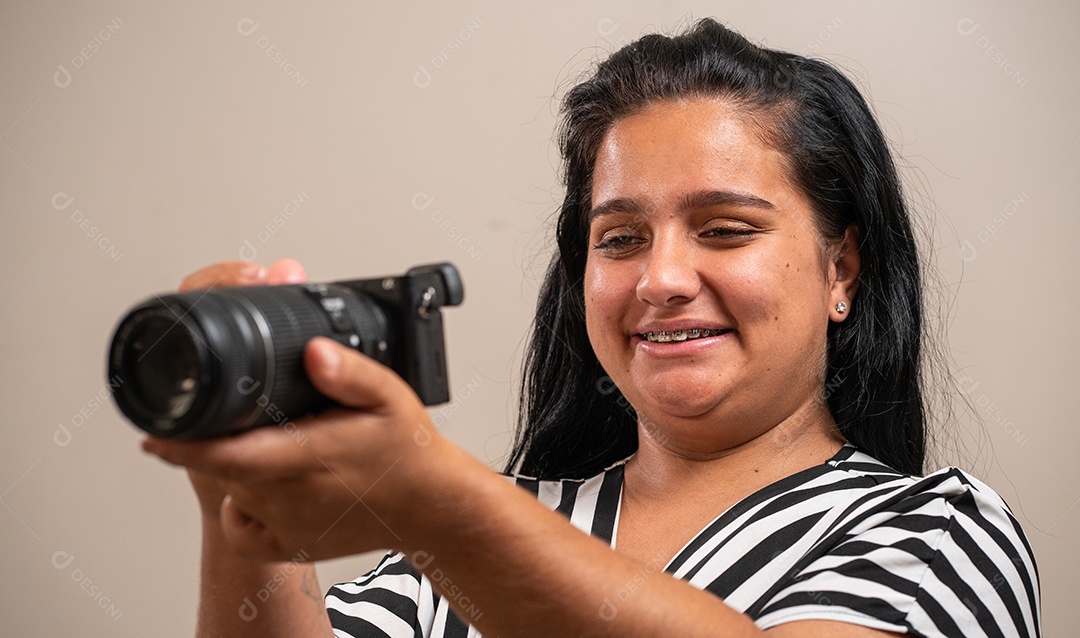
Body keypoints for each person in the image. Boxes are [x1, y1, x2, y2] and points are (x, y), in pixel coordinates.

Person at [143, 18, 1040, 637]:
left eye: (725, 229)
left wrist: (437, 502)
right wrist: (234, 488)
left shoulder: (936, 534)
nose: (660, 280)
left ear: (840, 268)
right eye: (620, 239)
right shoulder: (471, 537)